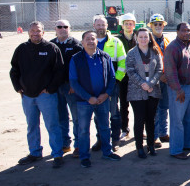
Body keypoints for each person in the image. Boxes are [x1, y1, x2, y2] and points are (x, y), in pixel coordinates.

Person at [10, 21, 65, 168]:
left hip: (46, 96)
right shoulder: (21, 49)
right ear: (28, 32)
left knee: (52, 125)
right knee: (32, 125)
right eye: (33, 31)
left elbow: (59, 71)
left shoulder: (51, 48)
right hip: (28, 96)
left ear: (43, 32)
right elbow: (14, 70)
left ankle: (57, 154)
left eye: (38, 31)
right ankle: (35, 152)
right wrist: (18, 87)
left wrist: (50, 89)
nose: (35, 33)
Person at [69, 31, 121, 167]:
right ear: (82, 42)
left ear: (97, 41)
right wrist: (88, 97)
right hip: (84, 102)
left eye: (93, 39)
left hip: (102, 100)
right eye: (87, 39)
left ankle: (107, 152)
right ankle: (84, 156)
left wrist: (107, 94)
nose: (91, 41)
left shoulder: (105, 57)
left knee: (105, 127)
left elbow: (112, 77)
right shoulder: (76, 59)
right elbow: (73, 82)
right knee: (83, 130)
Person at [165, 22, 190, 160]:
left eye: (188, 30)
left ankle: (189, 144)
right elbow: (170, 72)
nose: (186, 33)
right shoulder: (172, 48)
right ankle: (176, 150)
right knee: (177, 121)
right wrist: (178, 90)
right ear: (177, 32)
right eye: (183, 30)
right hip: (179, 89)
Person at [91, 15, 126, 153]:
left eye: (103, 25)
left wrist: (116, 80)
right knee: (98, 114)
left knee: (114, 113)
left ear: (107, 26)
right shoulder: (88, 41)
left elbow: (123, 62)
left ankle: (115, 139)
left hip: (112, 85)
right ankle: (101, 139)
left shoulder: (116, 42)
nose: (101, 27)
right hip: (94, 86)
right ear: (94, 26)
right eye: (98, 25)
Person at [126, 28, 163, 159]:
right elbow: (130, 71)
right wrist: (143, 84)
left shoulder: (155, 51)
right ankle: (139, 147)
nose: (143, 39)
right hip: (137, 92)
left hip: (153, 91)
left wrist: (151, 84)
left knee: (151, 120)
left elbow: (159, 69)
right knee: (139, 120)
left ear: (149, 38)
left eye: (145, 37)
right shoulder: (131, 53)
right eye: (140, 37)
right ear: (136, 38)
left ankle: (151, 145)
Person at [50, 19, 83, 156]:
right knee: (61, 117)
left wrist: (74, 84)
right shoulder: (50, 45)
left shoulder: (76, 45)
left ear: (70, 28)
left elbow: (81, 67)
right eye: (59, 26)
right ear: (55, 29)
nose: (62, 29)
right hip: (56, 88)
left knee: (77, 117)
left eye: (65, 27)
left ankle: (78, 145)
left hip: (71, 88)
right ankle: (65, 143)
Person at [149, 14, 171, 147]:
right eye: (155, 24)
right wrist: (159, 75)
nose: (158, 26)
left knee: (164, 107)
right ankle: (155, 135)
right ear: (150, 26)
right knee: (154, 109)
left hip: (166, 79)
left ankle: (163, 132)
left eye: (160, 24)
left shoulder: (167, 40)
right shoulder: (148, 41)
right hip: (154, 80)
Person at [116, 13, 137, 139]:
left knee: (139, 104)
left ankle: (141, 129)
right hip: (123, 77)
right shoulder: (117, 40)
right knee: (124, 104)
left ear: (134, 25)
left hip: (137, 78)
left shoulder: (139, 37)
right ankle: (125, 129)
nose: (129, 26)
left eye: (131, 23)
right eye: (126, 23)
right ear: (122, 25)